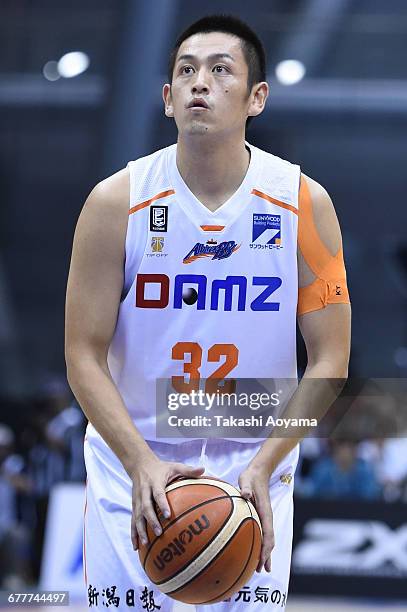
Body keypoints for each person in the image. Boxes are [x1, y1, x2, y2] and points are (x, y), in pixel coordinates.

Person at [65, 14, 351, 611]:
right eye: (186, 71)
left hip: (254, 462)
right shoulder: (115, 202)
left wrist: (268, 461)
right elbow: (81, 354)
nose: (201, 83)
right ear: (167, 99)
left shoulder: (303, 203)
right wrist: (139, 461)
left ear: (256, 98)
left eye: (221, 70)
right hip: (135, 461)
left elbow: (331, 359)